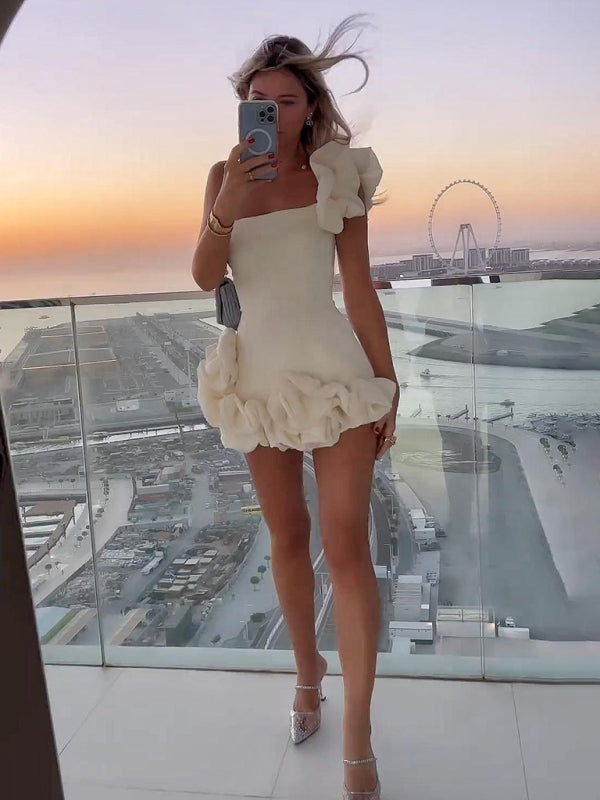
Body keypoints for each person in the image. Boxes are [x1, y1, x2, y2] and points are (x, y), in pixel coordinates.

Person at [191, 14, 399, 800]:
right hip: (256, 376)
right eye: (258, 99)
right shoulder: (224, 175)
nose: (272, 113)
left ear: (310, 107)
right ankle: (308, 677)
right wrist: (228, 203)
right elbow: (204, 276)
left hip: (334, 374)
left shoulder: (336, 175)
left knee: (346, 551)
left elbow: (360, 291)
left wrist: (388, 386)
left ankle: (359, 736)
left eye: (285, 100)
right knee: (286, 537)